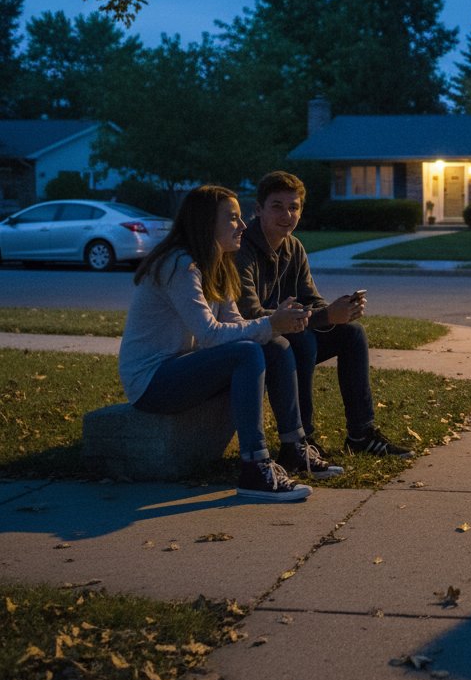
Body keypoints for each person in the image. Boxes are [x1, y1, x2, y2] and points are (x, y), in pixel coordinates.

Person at [118, 184, 330, 503]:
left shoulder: (217, 263)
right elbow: (210, 334)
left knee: (276, 346)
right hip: (151, 381)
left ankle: (294, 447)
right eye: (232, 218)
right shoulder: (180, 265)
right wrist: (271, 323)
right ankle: (255, 467)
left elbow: (235, 324)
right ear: (206, 223)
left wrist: (276, 324)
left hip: (187, 367)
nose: (242, 225)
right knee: (247, 352)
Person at [234, 171, 413, 474]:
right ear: (259, 209)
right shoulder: (242, 250)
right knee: (301, 338)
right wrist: (323, 316)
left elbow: (311, 299)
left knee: (351, 333)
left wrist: (337, 310)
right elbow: (249, 314)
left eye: (294, 207)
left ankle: (361, 434)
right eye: (277, 206)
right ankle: (302, 440)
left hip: (285, 332)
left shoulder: (293, 247)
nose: (287, 215)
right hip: (249, 342)